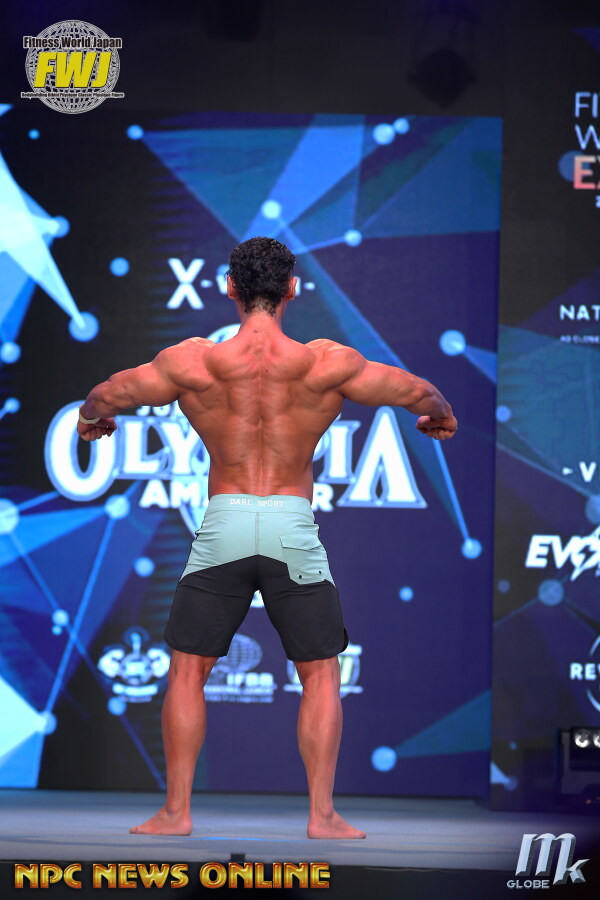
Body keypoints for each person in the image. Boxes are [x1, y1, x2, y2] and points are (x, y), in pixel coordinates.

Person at [77, 236, 457, 840]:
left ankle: (175, 813)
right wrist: (439, 415)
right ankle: (322, 816)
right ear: (292, 289)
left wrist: (92, 419)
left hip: (223, 524)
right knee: (321, 675)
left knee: (186, 673)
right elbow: (419, 393)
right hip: (290, 527)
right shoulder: (326, 363)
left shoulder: (192, 362)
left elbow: (106, 394)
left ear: (229, 287)